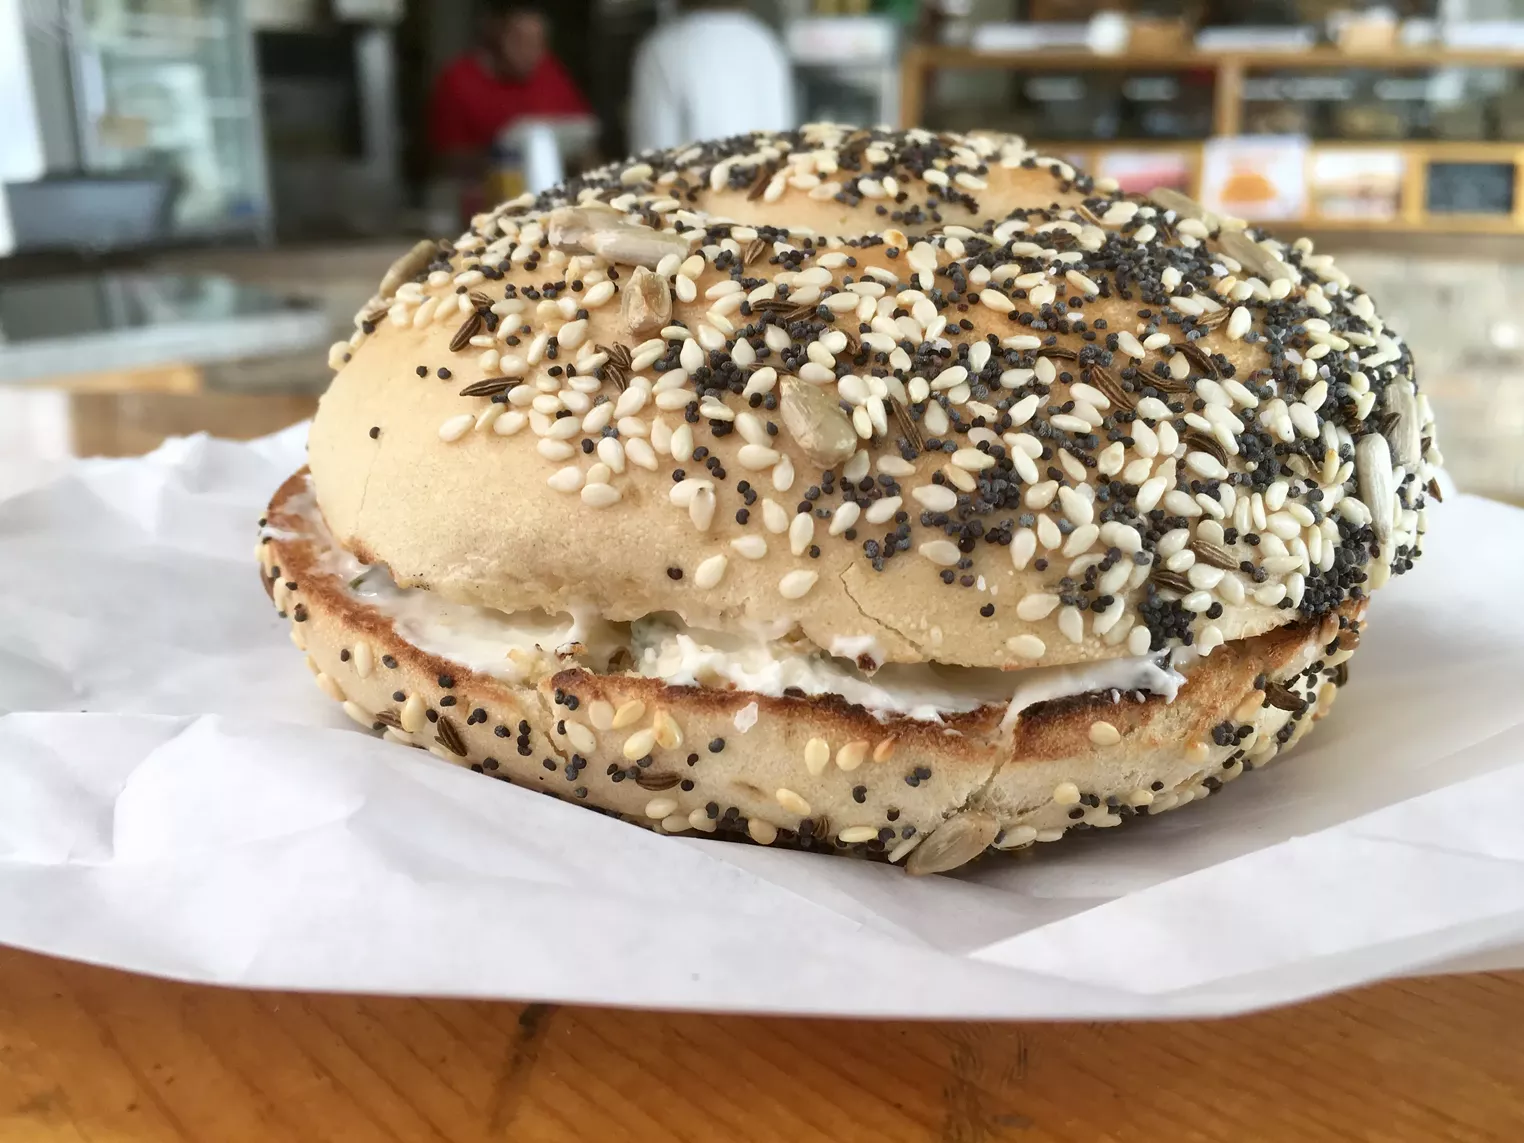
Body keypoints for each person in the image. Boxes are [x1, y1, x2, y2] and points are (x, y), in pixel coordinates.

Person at [427, 0, 591, 179]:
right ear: (495, 33)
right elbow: (445, 160)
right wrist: (503, 156)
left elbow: (585, 141)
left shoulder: (550, 71)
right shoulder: (457, 79)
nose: (531, 53)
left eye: (538, 42)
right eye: (520, 41)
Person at [629, 0, 795, 154]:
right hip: (765, 181)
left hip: (691, 184)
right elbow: (783, 138)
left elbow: (651, 153)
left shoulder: (662, 48)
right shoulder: (766, 42)